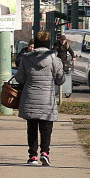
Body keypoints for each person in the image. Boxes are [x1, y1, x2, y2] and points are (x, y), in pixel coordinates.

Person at [15, 30, 64, 166]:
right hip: (47, 99)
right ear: (48, 44)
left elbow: (20, 78)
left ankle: (32, 156)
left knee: (32, 127)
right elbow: (60, 80)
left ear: (35, 43)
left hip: (30, 97)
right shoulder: (55, 60)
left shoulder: (26, 59)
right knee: (46, 127)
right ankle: (45, 153)